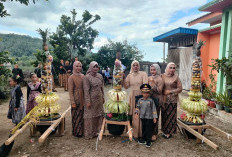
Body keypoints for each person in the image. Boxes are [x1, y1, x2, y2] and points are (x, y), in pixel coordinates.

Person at [124, 60, 148, 138]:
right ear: (132, 66)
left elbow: (145, 85)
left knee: (140, 113)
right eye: (134, 65)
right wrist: (123, 78)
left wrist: (144, 96)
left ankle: (140, 132)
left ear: (139, 66)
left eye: (136, 65)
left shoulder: (143, 74)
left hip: (141, 95)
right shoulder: (129, 75)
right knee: (133, 113)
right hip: (132, 95)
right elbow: (126, 86)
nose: (135, 67)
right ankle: (133, 132)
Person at [83, 61, 104, 139]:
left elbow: (102, 88)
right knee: (90, 117)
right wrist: (88, 101)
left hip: (99, 100)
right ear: (90, 68)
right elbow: (86, 90)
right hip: (91, 100)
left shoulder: (100, 76)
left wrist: (103, 97)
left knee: (99, 115)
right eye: (94, 67)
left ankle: (98, 132)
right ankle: (89, 134)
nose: (95, 68)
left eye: (97, 67)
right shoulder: (87, 77)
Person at [161, 62, 182, 139]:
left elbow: (180, 88)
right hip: (164, 99)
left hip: (172, 100)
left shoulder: (176, 77)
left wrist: (170, 91)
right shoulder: (162, 76)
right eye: (171, 67)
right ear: (167, 68)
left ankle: (169, 132)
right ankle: (164, 130)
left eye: (174, 68)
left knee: (170, 116)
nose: (172, 69)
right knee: (164, 115)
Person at [135, 84, 158, 148]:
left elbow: (154, 109)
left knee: (149, 129)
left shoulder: (151, 101)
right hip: (143, 117)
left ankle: (148, 141)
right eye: (144, 93)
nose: (146, 94)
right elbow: (137, 107)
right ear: (142, 93)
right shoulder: (140, 100)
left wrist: (154, 117)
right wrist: (136, 113)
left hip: (149, 117)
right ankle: (143, 139)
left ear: (149, 93)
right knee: (144, 128)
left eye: (147, 93)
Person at [68, 61, 84, 137]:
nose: (79, 68)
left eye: (80, 66)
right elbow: (70, 91)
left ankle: (83, 131)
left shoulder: (83, 76)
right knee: (76, 115)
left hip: (83, 97)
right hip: (76, 97)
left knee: (82, 115)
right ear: (74, 67)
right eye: (77, 66)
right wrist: (72, 102)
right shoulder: (71, 77)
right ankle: (77, 132)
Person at [148, 64, 164, 141]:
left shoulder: (160, 79)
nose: (152, 71)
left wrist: (153, 84)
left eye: (154, 70)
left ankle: (154, 133)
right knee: (149, 116)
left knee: (155, 116)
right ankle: (149, 132)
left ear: (157, 70)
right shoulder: (149, 78)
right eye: (151, 70)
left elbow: (159, 91)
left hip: (157, 100)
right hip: (149, 100)